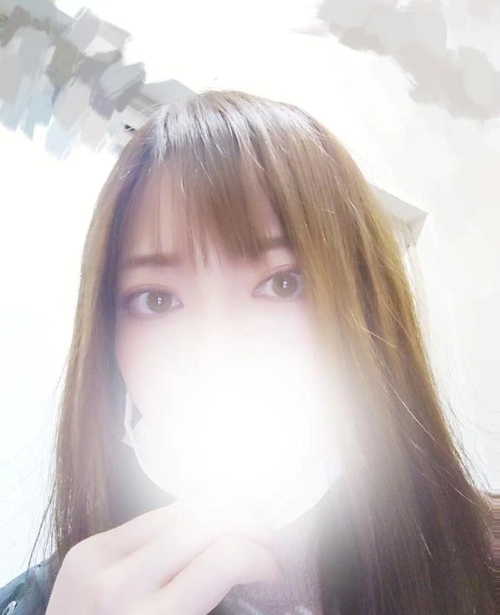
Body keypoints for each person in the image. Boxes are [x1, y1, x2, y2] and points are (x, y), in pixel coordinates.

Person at [0, 90, 497, 615]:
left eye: (283, 284)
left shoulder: (484, 562)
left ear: (369, 308)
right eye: (157, 300)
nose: (216, 353)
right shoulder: (51, 601)